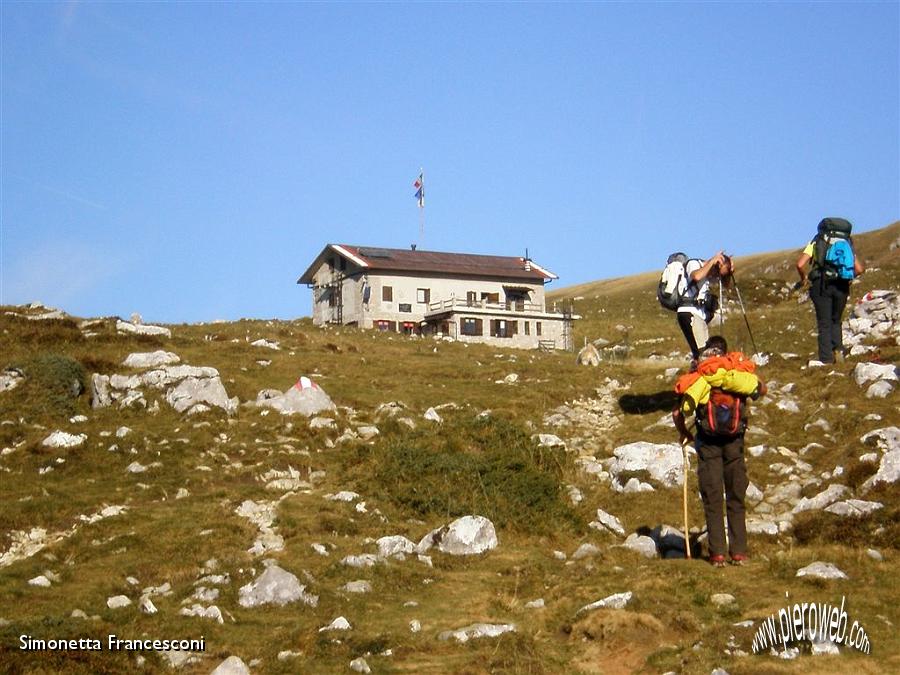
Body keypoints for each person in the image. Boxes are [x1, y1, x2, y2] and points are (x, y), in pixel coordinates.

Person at [672, 336, 766, 567]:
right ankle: (740, 552)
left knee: (712, 497)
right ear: (726, 352)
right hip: (735, 441)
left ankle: (717, 555)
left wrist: (685, 433)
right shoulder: (736, 373)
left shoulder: (701, 374)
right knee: (736, 495)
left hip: (708, 442)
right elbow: (760, 389)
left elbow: (678, 413)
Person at [795, 219, 864, 364]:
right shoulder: (847, 242)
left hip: (821, 284)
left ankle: (826, 360)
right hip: (842, 285)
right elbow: (859, 269)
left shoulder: (817, 240)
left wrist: (804, 279)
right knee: (836, 320)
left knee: (824, 323)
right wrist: (847, 277)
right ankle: (838, 351)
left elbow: (800, 264)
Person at [676, 252, 733, 363]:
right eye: (717, 272)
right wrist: (712, 261)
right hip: (689, 313)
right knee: (703, 355)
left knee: (702, 354)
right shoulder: (694, 264)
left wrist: (729, 272)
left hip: (699, 315)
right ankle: (698, 376)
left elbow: (726, 285)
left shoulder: (709, 272)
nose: (716, 276)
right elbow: (696, 276)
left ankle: (697, 375)